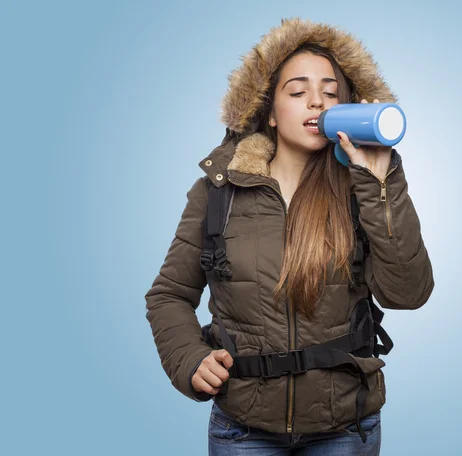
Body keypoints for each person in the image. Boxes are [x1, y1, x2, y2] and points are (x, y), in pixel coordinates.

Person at [145, 17, 434, 455]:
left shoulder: (364, 188)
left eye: (331, 93)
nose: (316, 102)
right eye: (298, 92)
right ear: (271, 113)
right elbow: (167, 295)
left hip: (344, 428)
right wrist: (189, 359)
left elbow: (408, 293)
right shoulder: (218, 192)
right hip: (243, 431)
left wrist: (379, 182)